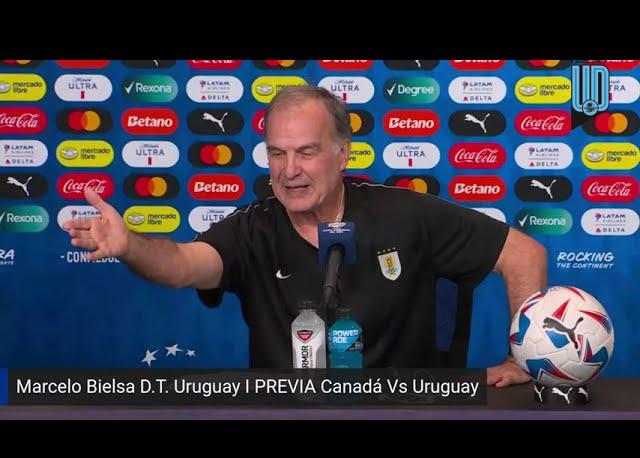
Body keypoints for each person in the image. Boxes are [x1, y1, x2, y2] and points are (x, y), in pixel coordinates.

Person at [64, 85, 546, 387]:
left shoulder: (407, 214)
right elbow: (182, 265)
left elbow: (524, 252)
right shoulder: (252, 229)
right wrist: (129, 247)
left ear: (343, 155)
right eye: (277, 154)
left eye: (306, 153)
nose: (289, 171)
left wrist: (524, 357)